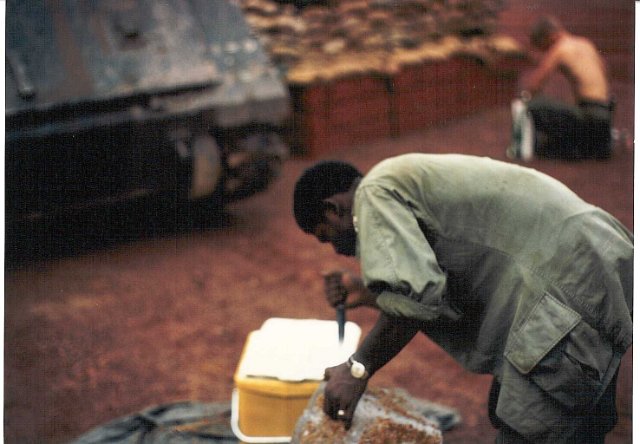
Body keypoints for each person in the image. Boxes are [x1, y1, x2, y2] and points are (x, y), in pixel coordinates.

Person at [292, 153, 632, 443]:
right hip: (594, 257)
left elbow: (417, 297)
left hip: (570, 283)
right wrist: (368, 293)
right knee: (557, 411)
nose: (337, 249)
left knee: (530, 425)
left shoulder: (373, 194)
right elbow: (440, 279)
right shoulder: (399, 178)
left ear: (332, 208)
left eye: (328, 237)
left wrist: (357, 369)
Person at [507, 16, 614, 160]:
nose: (545, 52)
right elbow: (604, 72)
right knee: (567, 108)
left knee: (531, 106)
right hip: (605, 116)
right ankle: (592, 144)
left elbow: (536, 84)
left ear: (550, 36)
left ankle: (528, 149)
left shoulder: (560, 48)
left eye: (544, 47)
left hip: (589, 116)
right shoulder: (585, 43)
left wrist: (522, 99)